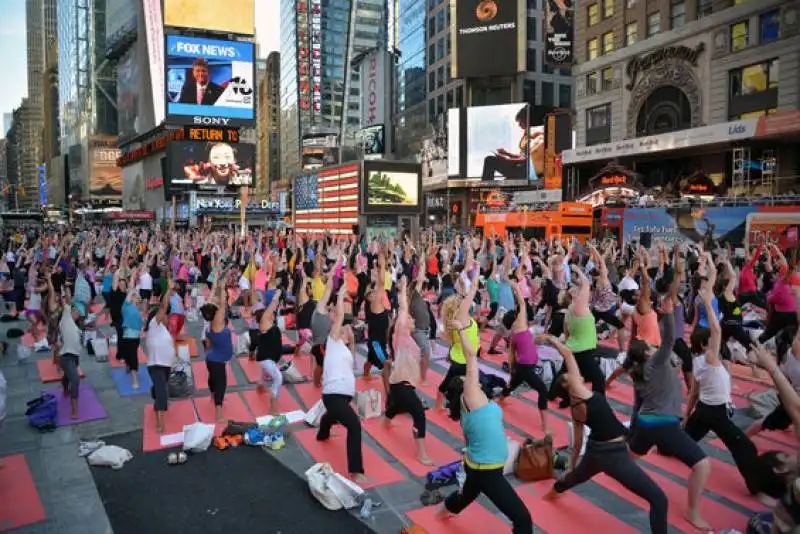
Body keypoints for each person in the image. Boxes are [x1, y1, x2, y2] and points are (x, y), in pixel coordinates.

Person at [539, 333, 667, 534]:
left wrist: (572, 466)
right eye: (568, 375)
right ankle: (553, 493)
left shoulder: (577, 400)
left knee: (575, 478)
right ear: (567, 385)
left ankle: (552, 493)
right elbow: (578, 441)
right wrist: (550, 338)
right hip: (611, 455)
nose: (573, 371)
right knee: (659, 498)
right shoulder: (578, 399)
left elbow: (579, 442)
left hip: (597, 450)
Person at [439, 311, 533, 533]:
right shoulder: (470, 396)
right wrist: (462, 331)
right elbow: (471, 356)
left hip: (478, 466)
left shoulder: (473, 401)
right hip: (487, 471)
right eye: (467, 379)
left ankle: (441, 512)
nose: (472, 378)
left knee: (465, 497)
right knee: (523, 519)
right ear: (464, 388)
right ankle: (444, 510)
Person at [626, 290, 712, 531]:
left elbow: (637, 405)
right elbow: (669, 341)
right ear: (646, 353)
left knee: (629, 457)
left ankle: (612, 463)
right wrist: (669, 314)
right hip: (662, 425)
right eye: (649, 347)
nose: (653, 348)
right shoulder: (656, 361)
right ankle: (692, 512)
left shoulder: (639, 372)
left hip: (645, 424)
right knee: (703, 465)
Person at [684, 284, 763, 495]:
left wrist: (685, 417)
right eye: (711, 340)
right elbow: (717, 329)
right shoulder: (709, 358)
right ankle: (757, 489)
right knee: (744, 448)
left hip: (702, 410)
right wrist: (709, 305)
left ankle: (665, 445)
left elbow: (693, 393)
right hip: (715, 413)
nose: (716, 342)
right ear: (703, 344)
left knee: (684, 439)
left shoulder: (698, 361)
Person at [316, 284, 367, 484]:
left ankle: (323, 429)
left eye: (349, 329)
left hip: (343, 397)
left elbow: (353, 361)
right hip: (333, 395)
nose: (347, 327)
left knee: (333, 416)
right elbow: (338, 317)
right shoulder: (333, 342)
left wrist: (353, 342)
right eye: (345, 328)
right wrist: (340, 297)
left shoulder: (345, 349)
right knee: (354, 425)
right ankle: (356, 470)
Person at [385, 276, 432, 465]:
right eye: (409, 318)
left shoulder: (408, 339)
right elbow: (403, 309)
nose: (412, 319)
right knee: (419, 414)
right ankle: (421, 453)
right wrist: (403, 289)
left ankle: (386, 421)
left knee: (398, 407)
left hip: (403, 384)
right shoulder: (401, 334)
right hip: (401, 385)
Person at [498, 284, 550, 433]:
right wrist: (516, 287)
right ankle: (545, 424)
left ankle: (500, 399)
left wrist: (511, 371)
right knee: (542, 390)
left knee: (513, 384)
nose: (521, 315)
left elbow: (511, 354)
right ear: (515, 320)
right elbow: (522, 303)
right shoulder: (520, 327)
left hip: (522, 366)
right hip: (526, 366)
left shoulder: (514, 333)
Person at [481, 106, 544, 182]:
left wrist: (507, 160)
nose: (519, 125)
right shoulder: (530, 137)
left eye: (520, 122)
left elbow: (526, 160)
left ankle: (486, 188)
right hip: (521, 168)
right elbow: (522, 157)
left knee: (490, 160)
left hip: (525, 171)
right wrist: (507, 154)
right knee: (491, 160)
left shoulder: (539, 138)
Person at [145, 280, 176, 434]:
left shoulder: (162, 329)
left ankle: (155, 398)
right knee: (162, 392)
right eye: (165, 316)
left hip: (165, 365)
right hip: (156, 365)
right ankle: (160, 423)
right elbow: (163, 307)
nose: (167, 317)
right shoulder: (154, 325)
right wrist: (168, 292)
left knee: (160, 389)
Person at [255, 289, 293, 414]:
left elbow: (275, 309)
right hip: (265, 357)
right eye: (269, 313)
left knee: (265, 373)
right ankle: (272, 407)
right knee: (278, 378)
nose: (272, 314)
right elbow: (272, 306)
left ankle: (260, 386)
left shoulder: (270, 322)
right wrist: (276, 295)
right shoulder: (264, 322)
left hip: (269, 357)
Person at [205, 276, 234, 421]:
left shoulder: (212, 321)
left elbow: (212, 299)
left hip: (212, 358)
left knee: (213, 380)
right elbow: (222, 304)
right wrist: (222, 289)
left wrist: (216, 283)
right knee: (221, 384)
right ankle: (218, 414)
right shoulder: (217, 322)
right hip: (217, 361)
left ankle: (212, 396)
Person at [58, 285, 85, 420]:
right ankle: (74, 410)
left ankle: (64, 389)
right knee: (75, 380)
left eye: (79, 312)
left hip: (74, 356)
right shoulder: (66, 317)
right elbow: (68, 301)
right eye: (76, 311)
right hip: (66, 356)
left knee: (67, 377)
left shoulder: (76, 326)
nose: (77, 313)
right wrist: (67, 290)